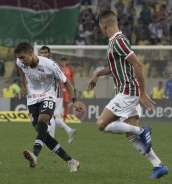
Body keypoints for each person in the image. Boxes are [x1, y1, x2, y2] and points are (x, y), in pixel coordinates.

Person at [87, 10, 168, 179]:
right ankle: (158, 165)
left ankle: (142, 131)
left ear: (104, 25)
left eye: (100, 27)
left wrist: (142, 93)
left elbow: (138, 65)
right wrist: (97, 74)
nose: (100, 29)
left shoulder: (118, 41)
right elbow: (115, 66)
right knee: (130, 136)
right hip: (128, 91)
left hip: (128, 91)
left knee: (101, 123)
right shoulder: (114, 42)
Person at [15, 42, 84, 172]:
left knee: (43, 120)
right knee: (43, 134)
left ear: (31, 53)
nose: (20, 60)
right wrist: (23, 87)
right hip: (31, 98)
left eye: (23, 57)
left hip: (48, 95)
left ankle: (35, 154)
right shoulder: (20, 62)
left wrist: (74, 100)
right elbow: (21, 71)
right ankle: (71, 161)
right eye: (19, 58)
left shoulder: (49, 65)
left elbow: (66, 82)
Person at [39, 46, 76, 144]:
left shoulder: (53, 64)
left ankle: (51, 139)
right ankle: (69, 130)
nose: (43, 54)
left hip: (56, 92)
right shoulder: (39, 64)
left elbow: (62, 79)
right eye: (41, 53)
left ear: (49, 54)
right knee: (51, 116)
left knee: (51, 115)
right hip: (46, 93)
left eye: (45, 52)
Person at [60, 58, 75, 122]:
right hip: (59, 89)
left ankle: (64, 120)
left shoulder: (70, 70)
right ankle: (54, 118)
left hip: (67, 90)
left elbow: (72, 79)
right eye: (62, 61)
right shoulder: (58, 69)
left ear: (66, 62)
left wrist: (73, 88)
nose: (63, 62)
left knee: (66, 104)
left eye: (64, 61)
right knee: (57, 103)